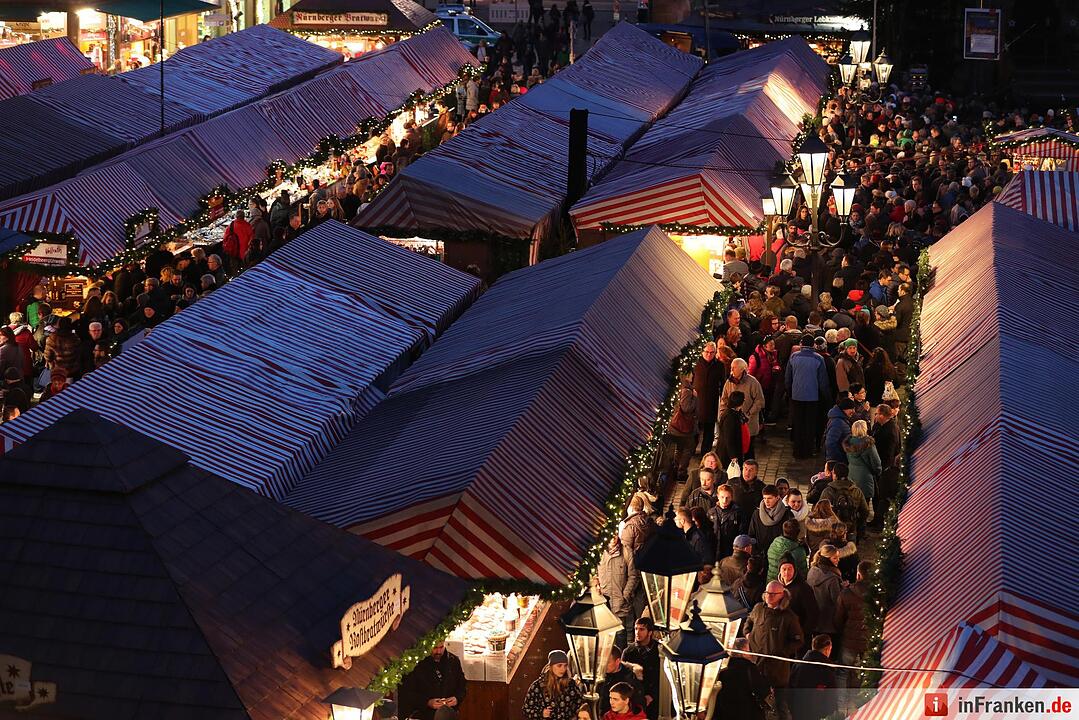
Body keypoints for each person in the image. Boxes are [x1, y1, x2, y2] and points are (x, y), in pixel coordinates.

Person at [745, 582, 804, 719]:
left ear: (782, 595)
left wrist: (781, 651)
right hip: (757, 665)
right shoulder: (758, 608)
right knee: (756, 702)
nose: (768, 596)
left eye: (773, 594)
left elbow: (798, 640)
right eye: (767, 593)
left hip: (777, 669)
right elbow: (748, 622)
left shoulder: (789, 617)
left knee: (780, 703)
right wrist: (748, 633)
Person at [834, 562, 872, 715]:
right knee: (868, 672)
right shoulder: (878, 592)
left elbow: (838, 618)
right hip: (869, 639)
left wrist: (841, 631)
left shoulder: (847, 594)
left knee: (843, 672)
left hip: (849, 639)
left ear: (858, 574)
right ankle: (865, 706)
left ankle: (841, 708)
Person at [785, 335, 829, 459]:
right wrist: (826, 396)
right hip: (812, 396)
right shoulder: (819, 359)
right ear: (813, 344)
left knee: (798, 423)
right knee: (810, 424)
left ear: (802, 343)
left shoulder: (794, 357)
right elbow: (823, 381)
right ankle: (808, 451)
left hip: (797, 395)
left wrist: (789, 391)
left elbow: (788, 377)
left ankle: (797, 450)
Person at [399, 643, 467, 720]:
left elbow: (462, 686)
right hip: (422, 714)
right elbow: (406, 692)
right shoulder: (415, 664)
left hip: (448, 714)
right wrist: (427, 702)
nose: (438, 651)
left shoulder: (453, 661)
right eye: (434, 647)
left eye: (441, 647)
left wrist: (457, 698)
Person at [719, 358, 766, 457]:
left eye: (734, 368)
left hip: (749, 423)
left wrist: (748, 414)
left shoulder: (753, 382)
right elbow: (724, 399)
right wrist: (723, 414)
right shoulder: (729, 382)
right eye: (731, 368)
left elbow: (760, 401)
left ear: (742, 369)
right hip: (732, 422)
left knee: (749, 451)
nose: (731, 370)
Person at [715, 637, 770, 720]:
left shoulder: (722, 668)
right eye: (748, 650)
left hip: (726, 713)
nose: (751, 653)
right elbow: (762, 690)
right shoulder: (750, 669)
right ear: (742, 652)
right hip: (748, 712)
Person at [787, 634, 839, 720]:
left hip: (798, 712)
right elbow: (831, 699)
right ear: (827, 649)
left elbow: (790, 690)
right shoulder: (827, 671)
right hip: (818, 715)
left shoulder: (797, 665)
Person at [524, 650, 584, 720]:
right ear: (551, 666)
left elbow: (579, 703)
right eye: (559, 665)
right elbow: (526, 709)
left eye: (565, 666)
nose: (563, 669)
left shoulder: (571, 684)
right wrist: (541, 713)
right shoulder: (537, 686)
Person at [777, 557, 818, 656]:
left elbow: (813, 613)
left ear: (795, 570)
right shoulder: (776, 586)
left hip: (799, 636)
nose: (787, 572)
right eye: (784, 569)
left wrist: (803, 633)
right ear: (779, 570)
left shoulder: (803, 588)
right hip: (782, 635)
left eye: (790, 569)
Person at [621, 618, 660, 720]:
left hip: (655, 698)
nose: (637, 632)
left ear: (650, 632)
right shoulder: (628, 651)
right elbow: (623, 678)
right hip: (634, 698)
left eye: (642, 629)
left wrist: (651, 695)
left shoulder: (659, 650)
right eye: (636, 629)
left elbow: (661, 677)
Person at [819, 464, 869, 542]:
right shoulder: (856, 491)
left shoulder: (828, 491)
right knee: (849, 551)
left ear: (834, 475)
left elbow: (821, 511)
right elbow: (865, 510)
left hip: (832, 530)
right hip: (850, 528)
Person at [806, 544, 843, 642]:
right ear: (827, 559)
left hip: (815, 620)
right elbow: (837, 601)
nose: (838, 560)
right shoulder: (832, 579)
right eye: (835, 558)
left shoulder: (812, 571)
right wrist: (844, 588)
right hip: (829, 623)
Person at [598, 537, 632, 645]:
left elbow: (633, 576)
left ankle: (621, 659)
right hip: (603, 603)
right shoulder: (599, 552)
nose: (613, 538)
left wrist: (625, 595)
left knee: (620, 634)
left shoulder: (626, 552)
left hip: (620, 603)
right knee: (605, 637)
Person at [666, 372, 698, 482]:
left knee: (680, 448)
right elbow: (686, 408)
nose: (693, 376)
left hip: (676, 426)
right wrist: (694, 398)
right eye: (691, 374)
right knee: (688, 448)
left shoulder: (677, 386)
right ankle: (681, 472)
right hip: (682, 427)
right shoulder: (687, 390)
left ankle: (675, 469)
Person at [693, 342, 723, 452]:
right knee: (695, 429)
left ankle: (705, 453)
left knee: (709, 431)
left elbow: (722, 384)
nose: (709, 355)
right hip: (697, 402)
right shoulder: (696, 364)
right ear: (702, 352)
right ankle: (692, 449)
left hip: (712, 402)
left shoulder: (719, 366)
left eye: (712, 352)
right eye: (707, 352)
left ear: (715, 353)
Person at [596, 646, 643, 716]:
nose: (603, 665)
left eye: (607, 662)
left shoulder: (629, 679)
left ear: (617, 661)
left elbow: (636, 704)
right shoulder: (599, 675)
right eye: (602, 662)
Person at [747, 485, 792, 553]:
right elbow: (751, 534)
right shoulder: (756, 514)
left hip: (779, 554)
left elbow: (790, 536)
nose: (766, 501)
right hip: (760, 554)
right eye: (764, 498)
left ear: (777, 498)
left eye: (769, 498)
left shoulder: (787, 514)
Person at [711, 483, 745, 561]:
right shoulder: (711, 513)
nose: (724, 500)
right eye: (722, 497)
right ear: (718, 496)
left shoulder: (738, 513)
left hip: (730, 551)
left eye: (727, 497)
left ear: (731, 498)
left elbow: (741, 533)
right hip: (714, 551)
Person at [717, 389, 747, 471]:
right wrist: (733, 456)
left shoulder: (734, 413)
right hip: (727, 454)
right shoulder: (730, 417)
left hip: (729, 451)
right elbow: (729, 438)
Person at [824, 398, 855, 463]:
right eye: (851, 409)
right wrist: (840, 459)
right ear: (844, 409)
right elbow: (830, 443)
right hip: (837, 461)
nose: (853, 411)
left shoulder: (842, 419)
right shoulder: (837, 423)